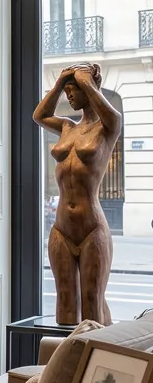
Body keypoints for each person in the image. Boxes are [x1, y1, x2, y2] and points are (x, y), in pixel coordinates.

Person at [33, 62, 121, 324]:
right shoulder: (67, 128)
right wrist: (61, 82)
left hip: (92, 227)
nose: (69, 95)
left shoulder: (107, 128)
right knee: (65, 302)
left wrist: (87, 82)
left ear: (89, 87)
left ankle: (97, 360)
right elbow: (39, 115)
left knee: (92, 300)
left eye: (74, 90)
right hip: (61, 228)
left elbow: (113, 116)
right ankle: (65, 361)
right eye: (67, 90)